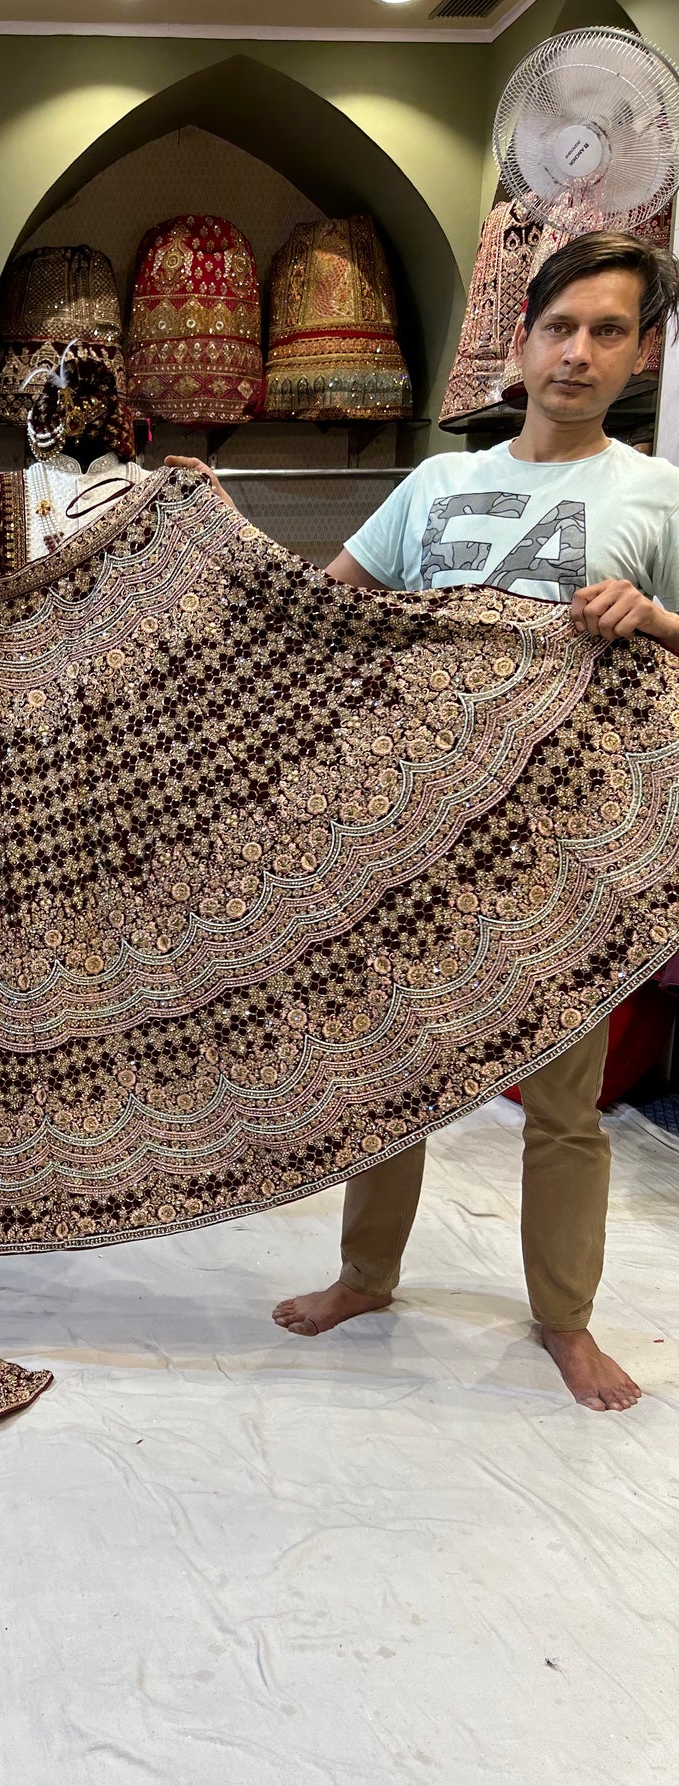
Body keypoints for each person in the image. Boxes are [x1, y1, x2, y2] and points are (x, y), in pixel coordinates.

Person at [262, 231, 679, 1411]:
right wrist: (202, 524)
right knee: (389, 1073)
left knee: (562, 1100)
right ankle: (363, 1276)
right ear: (518, 342)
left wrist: (648, 614)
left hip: (569, 846)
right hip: (413, 837)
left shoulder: (654, 494)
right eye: (559, 327)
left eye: (608, 330)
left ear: (640, 351)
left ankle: (565, 1321)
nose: (578, 352)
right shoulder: (434, 486)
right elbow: (312, 613)